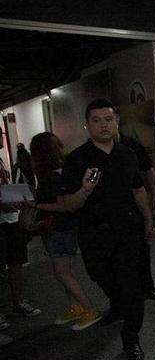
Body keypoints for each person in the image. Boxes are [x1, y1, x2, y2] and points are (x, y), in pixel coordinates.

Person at [61, 98, 153, 360]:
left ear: (117, 122)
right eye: (97, 120)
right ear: (87, 125)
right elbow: (69, 204)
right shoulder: (76, 159)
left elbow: (138, 189)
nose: (103, 125)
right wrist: (85, 190)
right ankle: (118, 304)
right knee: (101, 276)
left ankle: (131, 338)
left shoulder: (128, 154)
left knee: (132, 289)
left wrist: (148, 218)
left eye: (109, 119)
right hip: (94, 234)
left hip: (128, 231)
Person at [29, 132, 101, 330]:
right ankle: (76, 306)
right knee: (65, 271)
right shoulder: (62, 171)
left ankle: (88, 309)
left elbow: (63, 206)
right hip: (64, 227)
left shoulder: (52, 176)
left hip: (60, 228)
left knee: (62, 273)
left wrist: (36, 206)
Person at [0, 132, 42, 347]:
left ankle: (18, 302)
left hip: (11, 220)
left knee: (16, 262)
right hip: (3, 220)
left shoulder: (2, 161)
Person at [118, 132, 155, 300]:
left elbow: (148, 169)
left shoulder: (131, 145)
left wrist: (154, 195)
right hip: (111, 208)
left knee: (142, 247)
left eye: (109, 119)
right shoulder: (89, 151)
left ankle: (147, 286)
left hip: (135, 203)